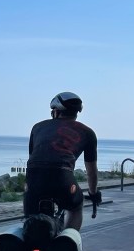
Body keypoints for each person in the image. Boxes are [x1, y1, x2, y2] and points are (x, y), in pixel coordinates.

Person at [23, 91, 100, 231]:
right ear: (76, 113)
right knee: (76, 207)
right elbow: (91, 172)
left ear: (56, 112)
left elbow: (33, 157)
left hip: (34, 178)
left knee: (30, 221)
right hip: (63, 178)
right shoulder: (88, 133)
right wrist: (93, 193)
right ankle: (68, 240)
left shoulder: (37, 127)